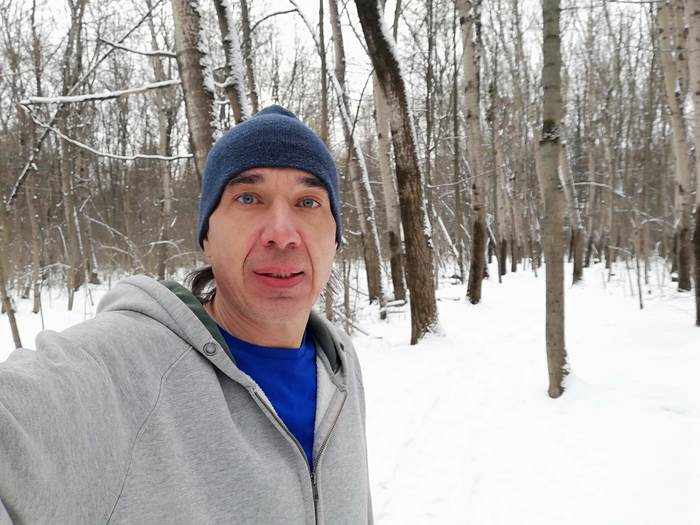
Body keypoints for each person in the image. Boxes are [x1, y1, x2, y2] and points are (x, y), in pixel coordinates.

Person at [0, 106, 372, 524]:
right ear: (207, 236)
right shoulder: (126, 368)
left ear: (335, 239)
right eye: (248, 198)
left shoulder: (338, 361)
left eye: (308, 202)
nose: (282, 235)